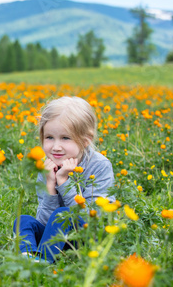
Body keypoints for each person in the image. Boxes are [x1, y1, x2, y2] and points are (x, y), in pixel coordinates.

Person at [14, 96, 115, 263]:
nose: (56, 146)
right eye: (49, 137)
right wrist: (49, 185)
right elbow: (44, 222)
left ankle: (42, 264)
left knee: (64, 215)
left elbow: (92, 222)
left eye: (65, 138)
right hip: (54, 239)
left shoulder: (99, 166)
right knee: (23, 221)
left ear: (85, 141)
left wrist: (64, 182)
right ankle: (27, 260)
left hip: (86, 240)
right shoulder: (47, 167)